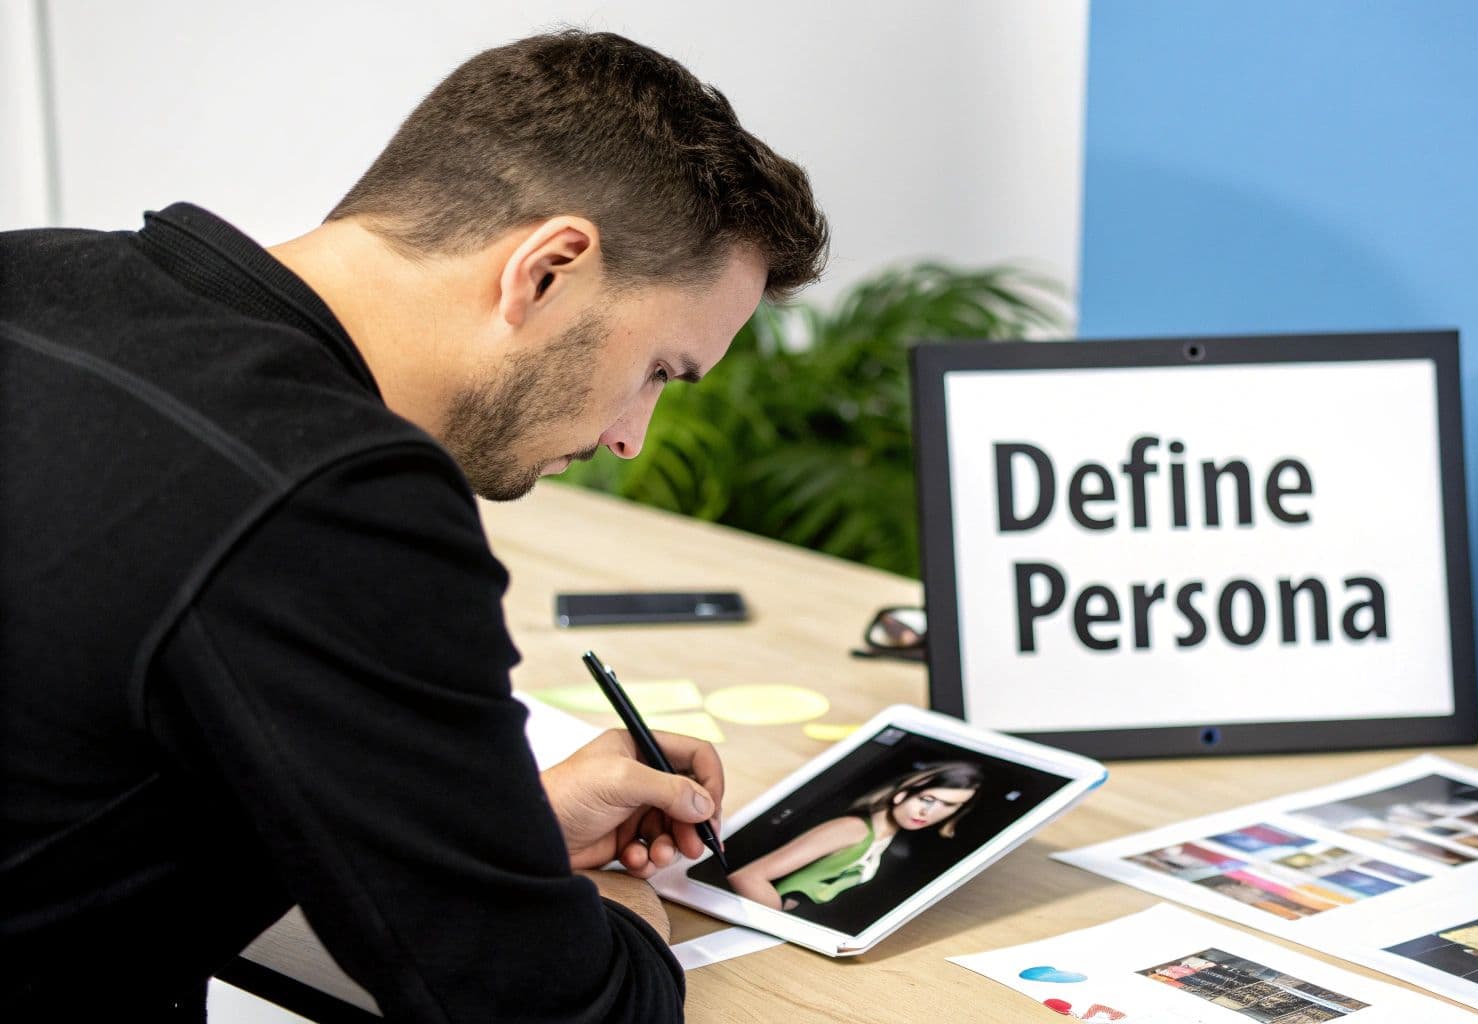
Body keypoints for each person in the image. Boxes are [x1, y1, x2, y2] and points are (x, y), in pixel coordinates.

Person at [0, 29, 827, 1022]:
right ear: (549, 269)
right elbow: (552, 1008)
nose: (631, 440)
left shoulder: (37, 280)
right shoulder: (331, 493)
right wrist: (609, 905)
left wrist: (477, 842)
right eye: (659, 368)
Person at [727, 762, 984, 911]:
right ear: (905, 792)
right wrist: (777, 926)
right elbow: (748, 877)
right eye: (927, 798)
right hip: (765, 923)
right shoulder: (853, 829)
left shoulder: (886, 839)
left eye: (948, 806)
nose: (928, 812)